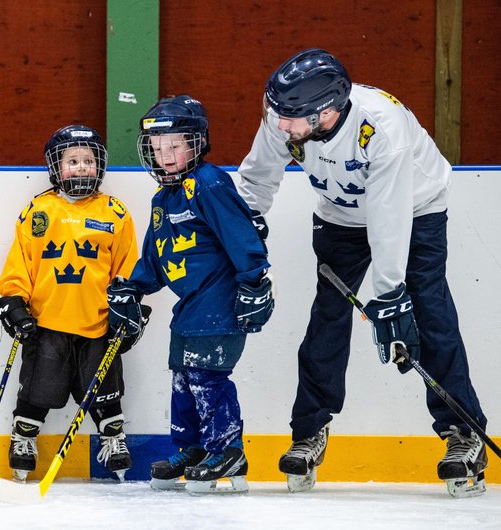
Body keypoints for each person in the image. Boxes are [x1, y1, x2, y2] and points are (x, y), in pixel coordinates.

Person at [236, 48, 488, 497]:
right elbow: (257, 177)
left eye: (290, 118)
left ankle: (463, 432)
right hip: (339, 216)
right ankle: (309, 429)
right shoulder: (287, 115)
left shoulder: (381, 130)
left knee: (429, 310)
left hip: (417, 207)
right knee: (327, 317)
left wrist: (390, 295)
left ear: (327, 112)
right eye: (275, 113)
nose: (279, 126)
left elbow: (391, 218)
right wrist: (246, 224)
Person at [107, 96, 274, 494]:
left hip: (220, 303)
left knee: (207, 379)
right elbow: (155, 258)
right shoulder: (163, 200)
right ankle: (194, 449)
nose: (165, 156)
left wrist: (255, 281)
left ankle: (228, 450)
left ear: (196, 143)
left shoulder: (210, 183)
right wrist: (132, 287)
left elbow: (241, 234)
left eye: (175, 146)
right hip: (189, 309)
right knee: (183, 379)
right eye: (158, 148)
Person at [0, 125, 144, 482]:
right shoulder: (39, 210)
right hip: (47, 322)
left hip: (98, 323)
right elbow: (21, 264)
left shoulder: (114, 213)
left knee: (104, 385)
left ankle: (113, 436)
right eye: (72, 160)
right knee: (38, 385)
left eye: (88, 161)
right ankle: (24, 437)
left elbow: (128, 268)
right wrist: (14, 301)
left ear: (100, 166)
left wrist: (130, 307)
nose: (81, 168)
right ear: (56, 167)